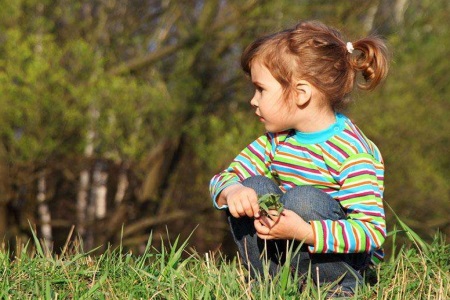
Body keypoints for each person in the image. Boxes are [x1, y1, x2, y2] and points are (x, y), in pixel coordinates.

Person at [209, 20, 389, 297]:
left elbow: (371, 231)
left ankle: (338, 290)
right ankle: (269, 285)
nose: (253, 100)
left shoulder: (352, 152)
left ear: (301, 93)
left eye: (261, 89)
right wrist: (232, 191)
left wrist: (304, 232)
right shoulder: (277, 140)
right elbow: (223, 178)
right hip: (290, 251)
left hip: (342, 263)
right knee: (253, 186)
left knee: (303, 199)